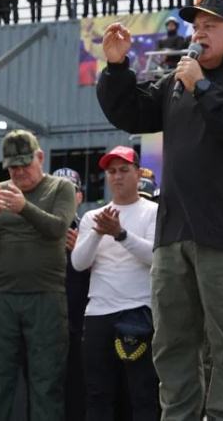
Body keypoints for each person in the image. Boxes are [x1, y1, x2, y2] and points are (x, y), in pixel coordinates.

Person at [96, 0, 223, 420]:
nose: (199, 32)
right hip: (172, 233)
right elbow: (132, 112)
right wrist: (117, 67)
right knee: (172, 344)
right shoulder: (177, 81)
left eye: (210, 25)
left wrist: (200, 84)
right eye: (196, 25)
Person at [0, 130, 76, 421]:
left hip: (46, 297)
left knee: (46, 382)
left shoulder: (60, 188)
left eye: (25, 165)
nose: (19, 172)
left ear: (40, 158)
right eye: (13, 167)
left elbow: (57, 229)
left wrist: (24, 207)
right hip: (2, 298)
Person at [71, 147, 160, 420]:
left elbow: (155, 257)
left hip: (138, 311)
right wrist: (99, 232)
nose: (117, 177)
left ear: (137, 173)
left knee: (142, 393)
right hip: (98, 313)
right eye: (111, 172)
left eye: (123, 170)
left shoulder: (153, 211)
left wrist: (120, 234)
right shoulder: (92, 217)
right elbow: (79, 262)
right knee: (98, 393)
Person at [52, 167, 93, 421]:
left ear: (80, 197)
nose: (66, 195)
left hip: (79, 325)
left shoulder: (91, 228)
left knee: (78, 391)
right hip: (44, 323)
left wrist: (83, 253)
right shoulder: (36, 227)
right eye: (59, 190)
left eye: (71, 190)